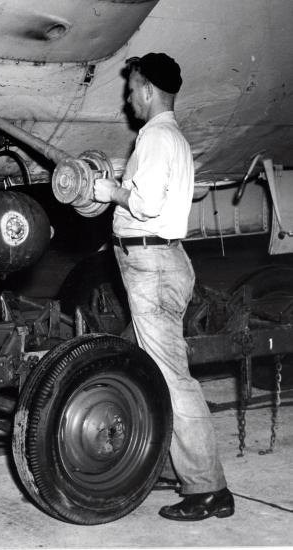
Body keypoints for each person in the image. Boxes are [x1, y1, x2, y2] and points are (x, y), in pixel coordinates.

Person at [93, 53, 234, 521]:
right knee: (141, 366)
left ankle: (206, 489)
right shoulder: (174, 138)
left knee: (172, 379)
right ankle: (167, 462)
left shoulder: (154, 137)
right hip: (163, 261)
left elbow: (147, 203)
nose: (128, 96)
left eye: (132, 88)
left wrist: (105, 191)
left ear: (149, 89)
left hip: (150, 266)